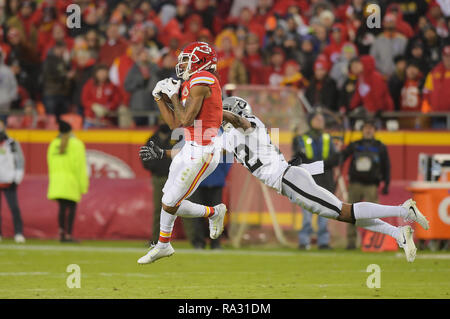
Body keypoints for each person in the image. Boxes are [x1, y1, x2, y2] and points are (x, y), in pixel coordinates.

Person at [144, 96, 429, 263]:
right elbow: (197, 153)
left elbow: (240, 122)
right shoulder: (228, 138)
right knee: (343, 213)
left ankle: (404, 211)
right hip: (289, 182)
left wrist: (221, 111)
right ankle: (397, 233)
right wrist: (165, 151)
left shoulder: (249, 123)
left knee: (344, 211)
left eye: (224, 114)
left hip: (289, 178)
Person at [137, 41, 227, 264]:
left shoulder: (204, 79)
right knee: (169, 200)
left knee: (170, 203)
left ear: (201, 61)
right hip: (190, 146)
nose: (183, 64)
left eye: (187, 60)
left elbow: (186, 118)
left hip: (205, 150)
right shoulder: (191, 83)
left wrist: (173, 97)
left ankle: (210, 215)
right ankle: (165, 244)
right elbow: (176, 123)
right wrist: (160, 98)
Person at [338, 118, 391, 250]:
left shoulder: (380, 146)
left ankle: (375, 241)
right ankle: (351, 242)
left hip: (371, 185)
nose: (368, 130)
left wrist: (386, 184)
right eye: (366, 128)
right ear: (362, 130)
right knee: (350, 214)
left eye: (371, 128)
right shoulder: (355, 145)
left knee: (374, 214)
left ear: (375, 130)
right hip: (355, 184)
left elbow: (386, 166)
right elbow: (342, 157)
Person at [292, 111, 338, 250]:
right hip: (308, 181)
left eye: (321, 119)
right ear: (311, 121)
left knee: (323, 214)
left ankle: (323, 242)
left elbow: (335, 158)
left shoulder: (328, 138)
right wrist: (322, 164)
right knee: (307, 214)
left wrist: (315, 165)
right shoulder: (301, 138)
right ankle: (304, 241)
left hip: (324, 181)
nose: (320, 121)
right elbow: (298, 158)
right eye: (317, 119)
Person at [47, 120, 89, 242]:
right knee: (71, 208)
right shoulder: (77, 144)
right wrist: (83, 185)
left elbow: (50, 164)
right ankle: (69, 235)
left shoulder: (53, 144)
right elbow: (80, 167)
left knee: (61, 208)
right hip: (71, 182)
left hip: (57, 182)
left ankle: (61, 233)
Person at [183, 154, 232, 250]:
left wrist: (221, 174)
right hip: (198, 183)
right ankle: (199, 242)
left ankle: (215, 243)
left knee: (216, 214)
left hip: (216, 182)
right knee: (197, 215)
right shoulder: (194, 140)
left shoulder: (221, 140)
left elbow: (228, 157)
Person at [141, 124, 173, 244]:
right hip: (159, 178)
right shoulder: (152, 139)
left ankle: (196, 241)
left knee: (183, 207)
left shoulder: (176, 137)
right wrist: (155, 167)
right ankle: (156, 240)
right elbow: (144, 156)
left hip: (175, 178)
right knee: (159, 210)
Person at [0, 119, 25, 243]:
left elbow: (20, 161)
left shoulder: (12, 143)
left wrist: (17, 178)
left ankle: (18, 232)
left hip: (9, 180)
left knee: (14, 208)